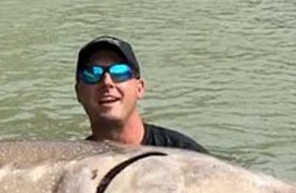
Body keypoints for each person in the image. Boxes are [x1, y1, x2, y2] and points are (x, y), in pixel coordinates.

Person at [74, 35, 206, 153]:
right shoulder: (70, 163)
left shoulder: (184, 154)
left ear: (139, 88)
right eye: (92, 74)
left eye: (120, 72)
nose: (107, 82)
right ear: (78, 92)